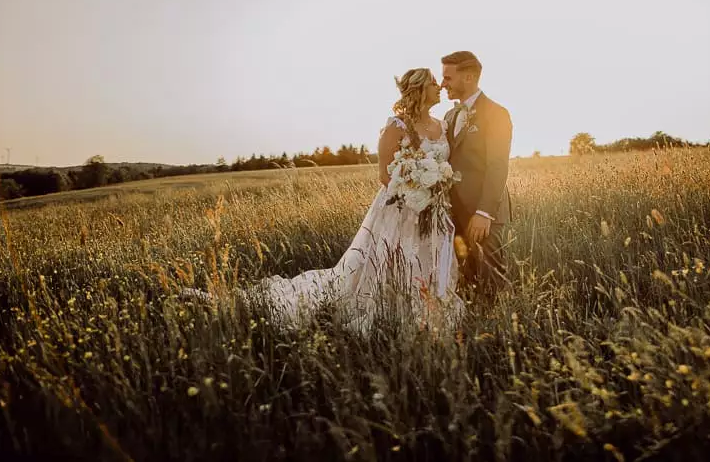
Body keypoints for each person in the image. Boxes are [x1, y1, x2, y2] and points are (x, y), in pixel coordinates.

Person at [183, 68, 462, 333]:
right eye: (433, 82)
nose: (439, 86)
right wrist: (415, 190)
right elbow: (384, 175)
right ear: (419, 89)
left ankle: (430, 302)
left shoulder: (443, 125)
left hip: (436, 208)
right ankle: (390, 304)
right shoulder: (396, 126)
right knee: (391, 260)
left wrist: (435, 190)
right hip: (400, 208)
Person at [440, 51, 513, 298]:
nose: (443, 84)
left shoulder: (496, 113)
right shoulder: (449, 116)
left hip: (483, 215)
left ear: (469, 77)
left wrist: (484, 212)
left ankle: (502, 323)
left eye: (448, 78)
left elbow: (497, 165)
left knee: (492, 281)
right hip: (453, 214)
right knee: (465, 283)